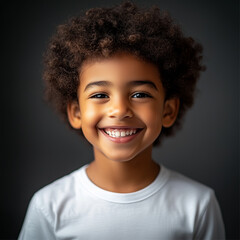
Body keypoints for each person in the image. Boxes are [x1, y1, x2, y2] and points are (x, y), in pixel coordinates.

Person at [18, 1, 225, 239]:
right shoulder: (50, 207)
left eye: (140, 94)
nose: (119, 110)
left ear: (168, 111)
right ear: (76, 112)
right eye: (100, 95)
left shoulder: (198, 205)